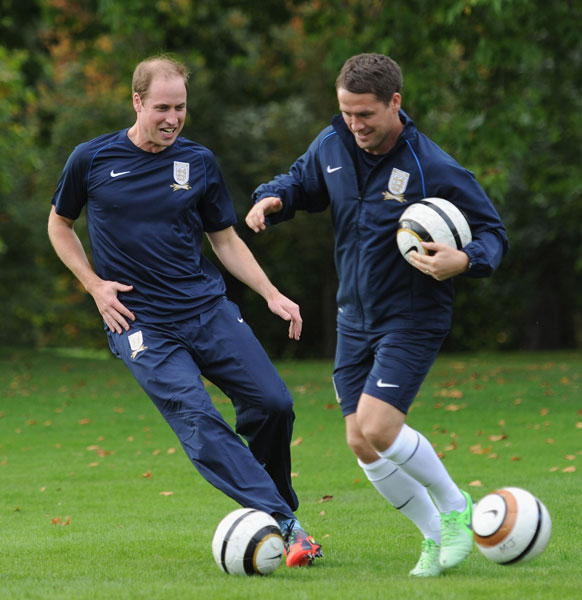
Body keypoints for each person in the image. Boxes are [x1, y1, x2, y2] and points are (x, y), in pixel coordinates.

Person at [47, 54, 322, 568]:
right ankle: (286, 522)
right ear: (136, 102)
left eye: (180, 108)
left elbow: (224, 238)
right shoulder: (91, 159)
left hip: (206, 308)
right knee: (197, 418)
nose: (172, 118)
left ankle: (276, 510)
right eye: (161, 108)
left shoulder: (199, 162)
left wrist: (270, 293)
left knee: (274, 405)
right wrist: (94, 287)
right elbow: (59, 225)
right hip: (140, 323)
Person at [246, 53, 508, 576]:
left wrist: (466, 259)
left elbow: (493, 234)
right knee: (360, 440)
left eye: (365, 114)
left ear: (395, 103)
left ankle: (456, 508)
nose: (355, 125)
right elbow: (301, 182)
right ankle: (434, 537)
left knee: (379, 426)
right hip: (353, 318)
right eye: (346, 113)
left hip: (412, 316)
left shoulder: (430, 165)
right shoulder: (333, 144)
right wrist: (272, 197)